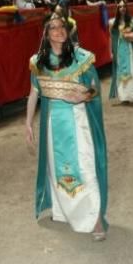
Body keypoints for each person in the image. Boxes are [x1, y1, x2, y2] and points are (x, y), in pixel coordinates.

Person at [25, 12, 108, 240]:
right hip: (52, 124)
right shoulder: (38, 62)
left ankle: (95, 218)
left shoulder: (81, 58)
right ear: (45, 33)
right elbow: (34, 93)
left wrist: (83, 96)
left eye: (62, 26)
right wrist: (28, 123)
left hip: (78, 121)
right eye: (53, 27)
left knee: (84, 166)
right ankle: (63, 211)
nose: (59, 31)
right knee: (56, 166)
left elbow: (94, 88)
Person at [108, 0, 133, 108]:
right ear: (117, 9)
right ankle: (124, 97)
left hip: (130, 49)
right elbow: (111, 38)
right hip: (120, 50)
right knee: (121, 73)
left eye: (124, 6)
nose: (122, 8)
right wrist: (111, 51)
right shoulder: (112, 22)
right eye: (120, 7)